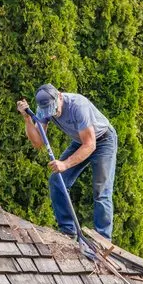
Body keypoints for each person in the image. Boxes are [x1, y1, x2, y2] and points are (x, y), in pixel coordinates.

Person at [16, 84, 117, 241]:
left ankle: (103, 239)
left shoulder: (78, 105)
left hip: (103, 141)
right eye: (48, 111)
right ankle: (68, 232)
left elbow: (90, 145)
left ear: (60, 96)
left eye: (54, 109)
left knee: (101, 191)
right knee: (57, 180)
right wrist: (27, 118)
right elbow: (37, 142)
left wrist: (65, 164)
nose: (52, 113)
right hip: (80, 141)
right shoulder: (44, 109)